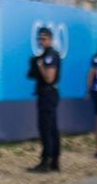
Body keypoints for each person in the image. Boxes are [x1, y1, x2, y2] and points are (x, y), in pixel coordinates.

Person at [26, 26, 61, 173]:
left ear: (50, 39)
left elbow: (49, 78)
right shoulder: (46, 54)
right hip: (47, 94)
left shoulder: (49, 55)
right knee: (51, 127)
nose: (41, 41)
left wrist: (39, 65)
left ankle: (46, 162)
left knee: (46, 128)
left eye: (44, 38)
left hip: (47, 94)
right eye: (39, 38)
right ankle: (54, 161)